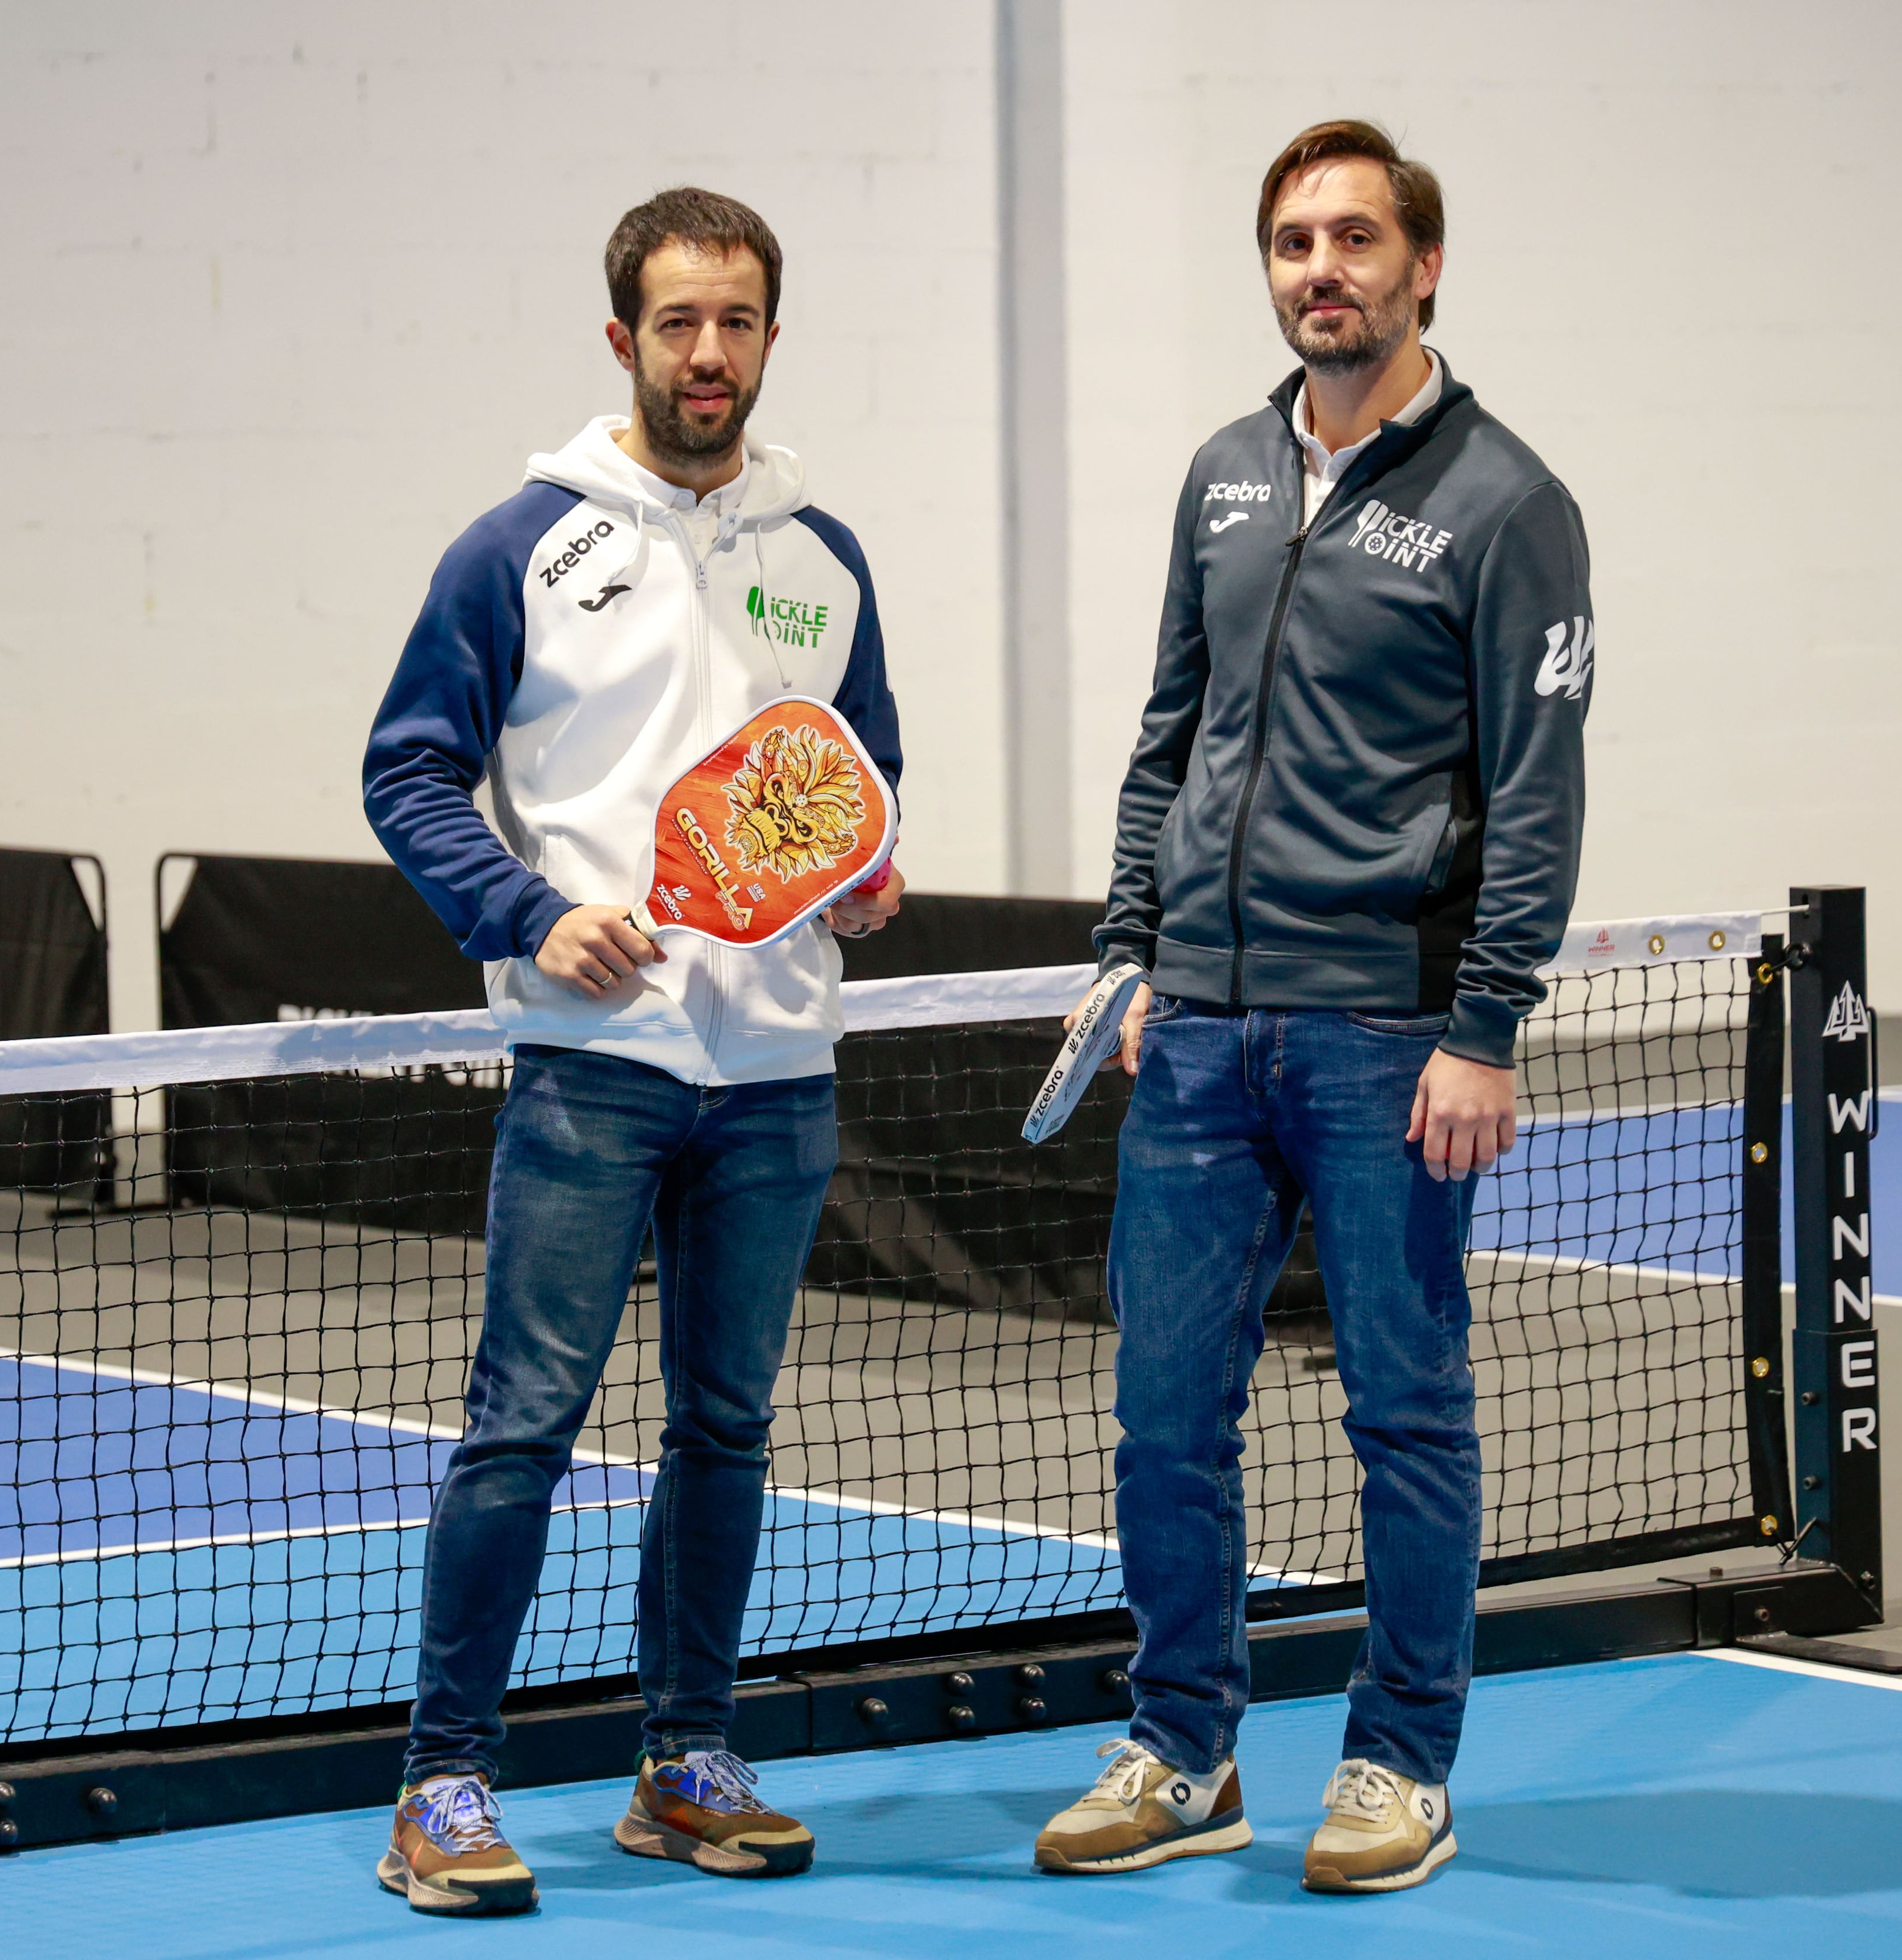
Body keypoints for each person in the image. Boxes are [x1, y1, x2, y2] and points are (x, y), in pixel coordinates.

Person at [1033, 119, 1592, 1895]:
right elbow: (1166, 735)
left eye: (1355, 238)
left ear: (1426, 266)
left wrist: (1485, 1025)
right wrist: (1134, 951)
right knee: (1163, 1410)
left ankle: (1397, 1766)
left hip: (1384, 1039)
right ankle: (1183, 1746)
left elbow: (1538, 788)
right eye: (1292, 242)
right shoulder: (1219, 472)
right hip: (1197, 1034)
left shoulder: (1510, 501)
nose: (1320, 269)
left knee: (1406, 1415)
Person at [359, 186, 905, 1917]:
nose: (710, 353)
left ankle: (686, 1760)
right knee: (523, 1427)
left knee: (728, 1429)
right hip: (595, 1066)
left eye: (738, 321)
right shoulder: (519, 545)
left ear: (767, 336)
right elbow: (406, 770)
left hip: (779, 1077)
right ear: (624, 341)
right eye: (679, 322)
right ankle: (442, 1783)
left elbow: (854, 781)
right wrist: (526, 915)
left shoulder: (827, 557)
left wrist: (868, 876)